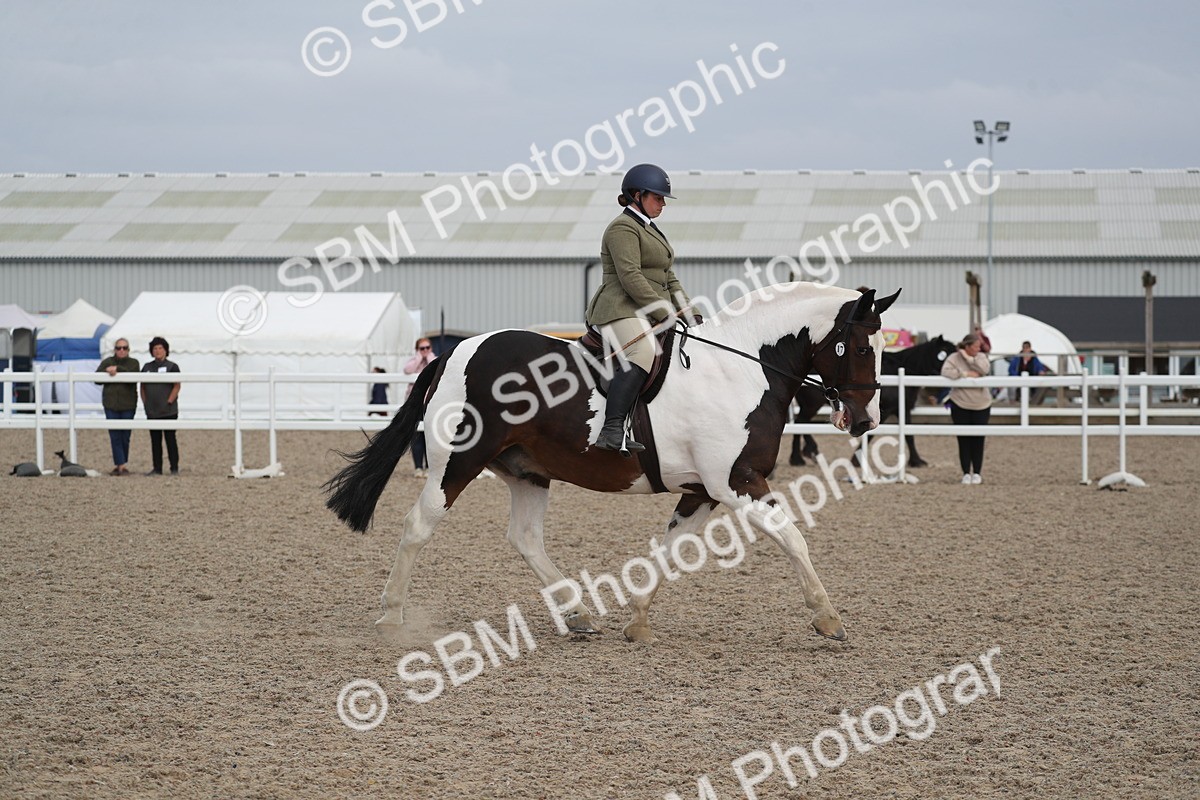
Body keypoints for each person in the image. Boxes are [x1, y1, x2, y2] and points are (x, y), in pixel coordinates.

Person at [584, 163, 699, 453]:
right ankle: (611, 430)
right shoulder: (622, 228)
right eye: (657, 198)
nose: (662, 204)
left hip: (644, 309)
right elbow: (631, 277)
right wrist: (665, 314)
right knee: (644, 351)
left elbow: (668, 277)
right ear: (637, 195)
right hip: (619, 308)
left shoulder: (650, 229)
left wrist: (689, 313)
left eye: (663, 199)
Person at [941, 332, 992, 484]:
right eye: (975, 346)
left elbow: (984, 370)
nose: (978, 348)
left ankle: (977, 472)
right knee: (963, 439)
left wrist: (970, 359)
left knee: (978, 439)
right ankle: (965, 472)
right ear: (967, 346)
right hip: (960, 403)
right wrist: (964, 374)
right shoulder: (953, 358)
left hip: (981, 404)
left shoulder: (981, 357)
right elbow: (945, 371)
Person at [95, 338, 140, 475]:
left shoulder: (134, 363)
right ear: (114, 349)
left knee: (125, 435)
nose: (121, 350)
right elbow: (96, 378)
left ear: (128, 349)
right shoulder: (107, 362)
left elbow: (134, 375)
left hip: (128, 405)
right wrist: (106, 371)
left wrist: (117, 370)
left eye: (124, 348)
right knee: (114, 435)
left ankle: (121, 463)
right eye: (119, 348)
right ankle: (120, 465)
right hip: (111, 404)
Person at [139, 336, 181, 476]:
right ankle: (157, 468)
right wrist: (145, 403)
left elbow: (177, 385)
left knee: (170, 439)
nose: (157, 351)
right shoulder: (146, 367)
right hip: (152, 410)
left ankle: (174, 467)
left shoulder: (172, 367)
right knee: (155, 440)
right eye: (155, 348)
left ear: (166, 350)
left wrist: (169, 401)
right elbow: (142, 387)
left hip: (168, 410)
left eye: (160, 348)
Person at [404, 338, 437, 476]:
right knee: (417, 436)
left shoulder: (435, 359)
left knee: (431, 435)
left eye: (427, 348)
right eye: (421, 348)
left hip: (431, 403)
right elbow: (407, 370)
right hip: (416, 403)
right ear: (417, 349)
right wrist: (418, 359)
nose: (425, 351)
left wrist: (428, 358)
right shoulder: (413, 361)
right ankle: (418, 466)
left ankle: (430, 466)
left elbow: (435, 369)